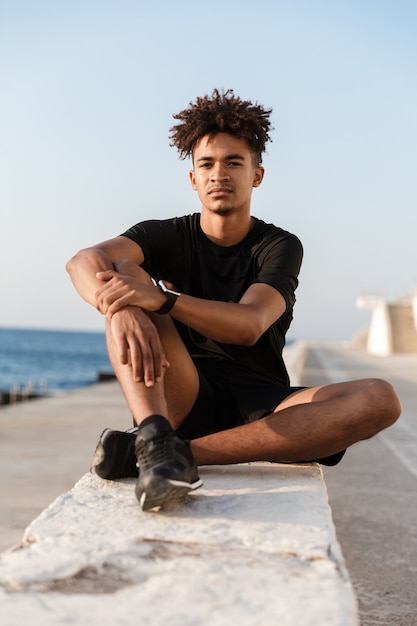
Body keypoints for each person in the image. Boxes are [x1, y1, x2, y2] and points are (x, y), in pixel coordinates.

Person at [66, 88, 401, 512]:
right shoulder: (166, 234)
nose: (218, 174)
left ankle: (174, 454)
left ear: (256, 175)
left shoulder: (279, 245)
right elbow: (82, 261)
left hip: (262, 402)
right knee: (123, 273)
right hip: (180, 391)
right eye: (206, 164)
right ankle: (153, 433)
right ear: (193, 178)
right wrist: (118, 306)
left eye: (233, 163)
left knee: (379, 398)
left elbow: (249, 325)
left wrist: (162, 300)